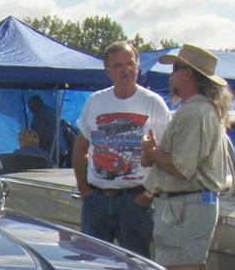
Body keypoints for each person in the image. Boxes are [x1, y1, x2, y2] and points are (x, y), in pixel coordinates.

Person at [140, 43, 233, 270]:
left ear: (189, 75)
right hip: (192, 205)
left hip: (185, 206)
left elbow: (182, 167)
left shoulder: (194, 112)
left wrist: (152, 152)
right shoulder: (205, 110)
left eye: (176, 68)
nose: (172, 74)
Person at [72, 41, 170, 257]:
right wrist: (85, 191)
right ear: (108, 71)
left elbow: (165, 156)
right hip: (97, 201)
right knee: (91, 260)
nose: (126, 70)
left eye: (130, 64)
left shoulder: (153, 103)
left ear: (138, 67)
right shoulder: (96, 101)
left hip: (135, 202)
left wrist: (147, 195)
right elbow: (80, 149)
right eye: (118, 66)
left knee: (136, 264)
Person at [27, 95, 65, 163]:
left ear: (36, 104)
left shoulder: (40, 114)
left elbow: (36, 135)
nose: (31, 110)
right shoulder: (52, 111)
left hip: (50, 151)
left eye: (31, 107)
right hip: (60, 149)